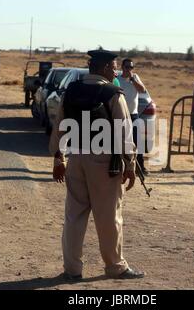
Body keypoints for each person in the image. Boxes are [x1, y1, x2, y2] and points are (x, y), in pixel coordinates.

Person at [49, 49, 146, 281]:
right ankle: (115, 266)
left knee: (74, 216)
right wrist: (131, 165)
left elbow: (59, 125)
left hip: (76, 159)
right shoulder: (113, 93)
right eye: (113, 67)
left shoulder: (72, 90)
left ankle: (72, 270)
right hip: (104, 163)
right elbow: (124, 133)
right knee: (109, 216)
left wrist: (58, 158)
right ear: (104, 68)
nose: (116, 71)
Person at [117, 59, 149, 175]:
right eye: (126, 67)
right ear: (122, 67)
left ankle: (140, 167)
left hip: (133, 114)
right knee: (120, 141)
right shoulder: (117, 79)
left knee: (137, 141)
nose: (129, 69)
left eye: (131, 67)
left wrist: (132, 80)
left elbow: (142, 90)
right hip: (121, 114)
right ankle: (121, 165)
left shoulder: (135, 77)